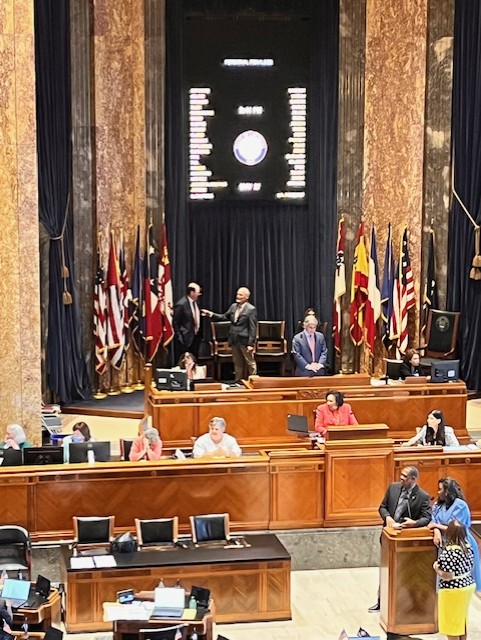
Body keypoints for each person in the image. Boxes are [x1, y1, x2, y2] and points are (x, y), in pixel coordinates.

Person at [368, 466, 431, 612]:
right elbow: (382, 507)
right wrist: (387, 517)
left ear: (413, 479)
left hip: (406, 541)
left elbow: (427, 518)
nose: (401, 478)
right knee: (385, 570)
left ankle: (403, 604)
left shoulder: (423, 496)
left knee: (405, 574)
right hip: (388, 537)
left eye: (404, 476)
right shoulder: (393, 488)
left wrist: (414, 523)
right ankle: (381, 602)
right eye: (401, 475)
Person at [428, 477, 481, 592]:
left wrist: (436, 526)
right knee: (446, 573)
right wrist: (436, 530)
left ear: (447, 492)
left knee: (461, 576)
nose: (438, 492)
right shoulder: (438, 505)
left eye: (440, 489)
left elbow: (455, 528)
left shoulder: (460, 505)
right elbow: (433, 521)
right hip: (445, 542)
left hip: (460, 541)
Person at [202, 287, 257, 384]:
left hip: (244, 340)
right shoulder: (233, 307)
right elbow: (224, 317)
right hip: (234, 339)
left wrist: (251, 344)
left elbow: (253, 327)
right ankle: (238, 381)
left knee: (249, 362)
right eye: (237, 294)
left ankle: (254, 381)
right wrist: (211, 314)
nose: (238, 296)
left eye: (240, 295)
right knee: (237, 362)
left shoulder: (251, 309)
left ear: (246, 297)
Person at [433, 520, 476, 640]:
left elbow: (448, 576)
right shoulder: (468, 547)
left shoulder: (450, 552)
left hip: (453, 590)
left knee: (451, 622)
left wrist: (436, 567)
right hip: (467, 586)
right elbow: (471, 566)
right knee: (461, 620)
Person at [173, 282, 202, 362]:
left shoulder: (196, 303)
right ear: (192, 292)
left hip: (195, 337)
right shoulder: (181, 304)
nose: (199, 294)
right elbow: (175, 323)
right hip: (184, 338)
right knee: (184, 362)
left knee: (194, 361)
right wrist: (180, 337)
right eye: (198, 292)